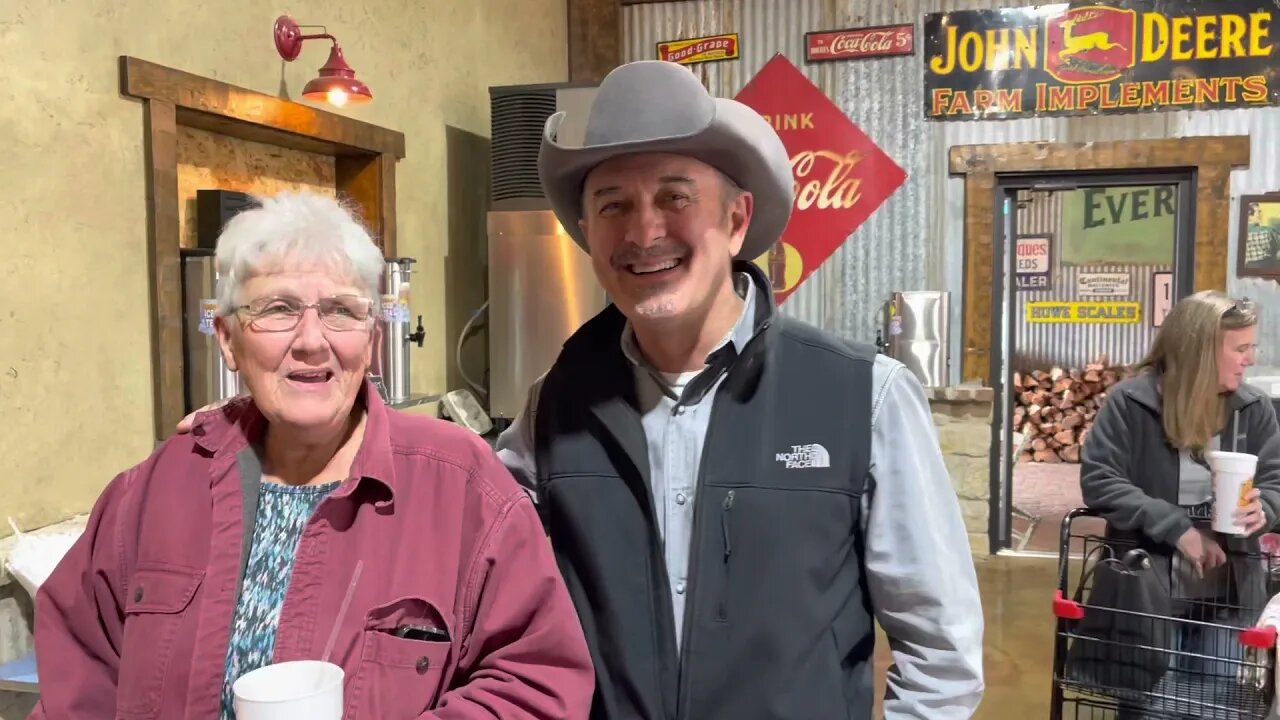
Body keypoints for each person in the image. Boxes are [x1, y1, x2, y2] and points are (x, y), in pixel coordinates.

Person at [496, 60, 984, 718]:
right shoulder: (552, 406)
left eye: (675, 197)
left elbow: (942, 654)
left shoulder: (862, 397)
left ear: (735, 220)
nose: (644, 232)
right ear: (587, 233)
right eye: (613, 205)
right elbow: (479, 574)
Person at [30, 191, 594, 719]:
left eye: (341, 311)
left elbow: (536, 682)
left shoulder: (462, 486)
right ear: (228, 338)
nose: (311, 340)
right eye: (277, 308)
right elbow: (76, 681)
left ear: (371, 338)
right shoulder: (155, 490)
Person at [1075, 291, 1279, 715]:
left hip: (1228, 597)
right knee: (1149, 709)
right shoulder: (1130, 404)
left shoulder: (1255, 410)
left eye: (1251, 347)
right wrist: (1178, 529)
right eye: (1240, 348)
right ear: (1200, 351)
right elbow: (1100, 479)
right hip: (1146, 595)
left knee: (1216, 708)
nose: (1250, 359)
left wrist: (1268, 508)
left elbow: (1277, 481)